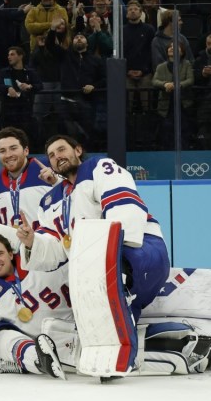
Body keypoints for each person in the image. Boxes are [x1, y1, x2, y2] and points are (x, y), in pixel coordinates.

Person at [16, 135, 170, 323]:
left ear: (78, 150)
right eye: (52, 155)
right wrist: (32, 241)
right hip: (95, 269)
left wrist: (106, 255)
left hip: (139, 251)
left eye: (62, 149)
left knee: (109, 304)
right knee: (105, 326)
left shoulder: (98, 167)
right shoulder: (49, 201)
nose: (57, 156)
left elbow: (122, 205)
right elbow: (55, 249)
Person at [0, 233, 67, 378]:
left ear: (10, 254)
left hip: (70, 331)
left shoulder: (40, 262)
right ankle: (38, 360)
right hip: (37, 345)